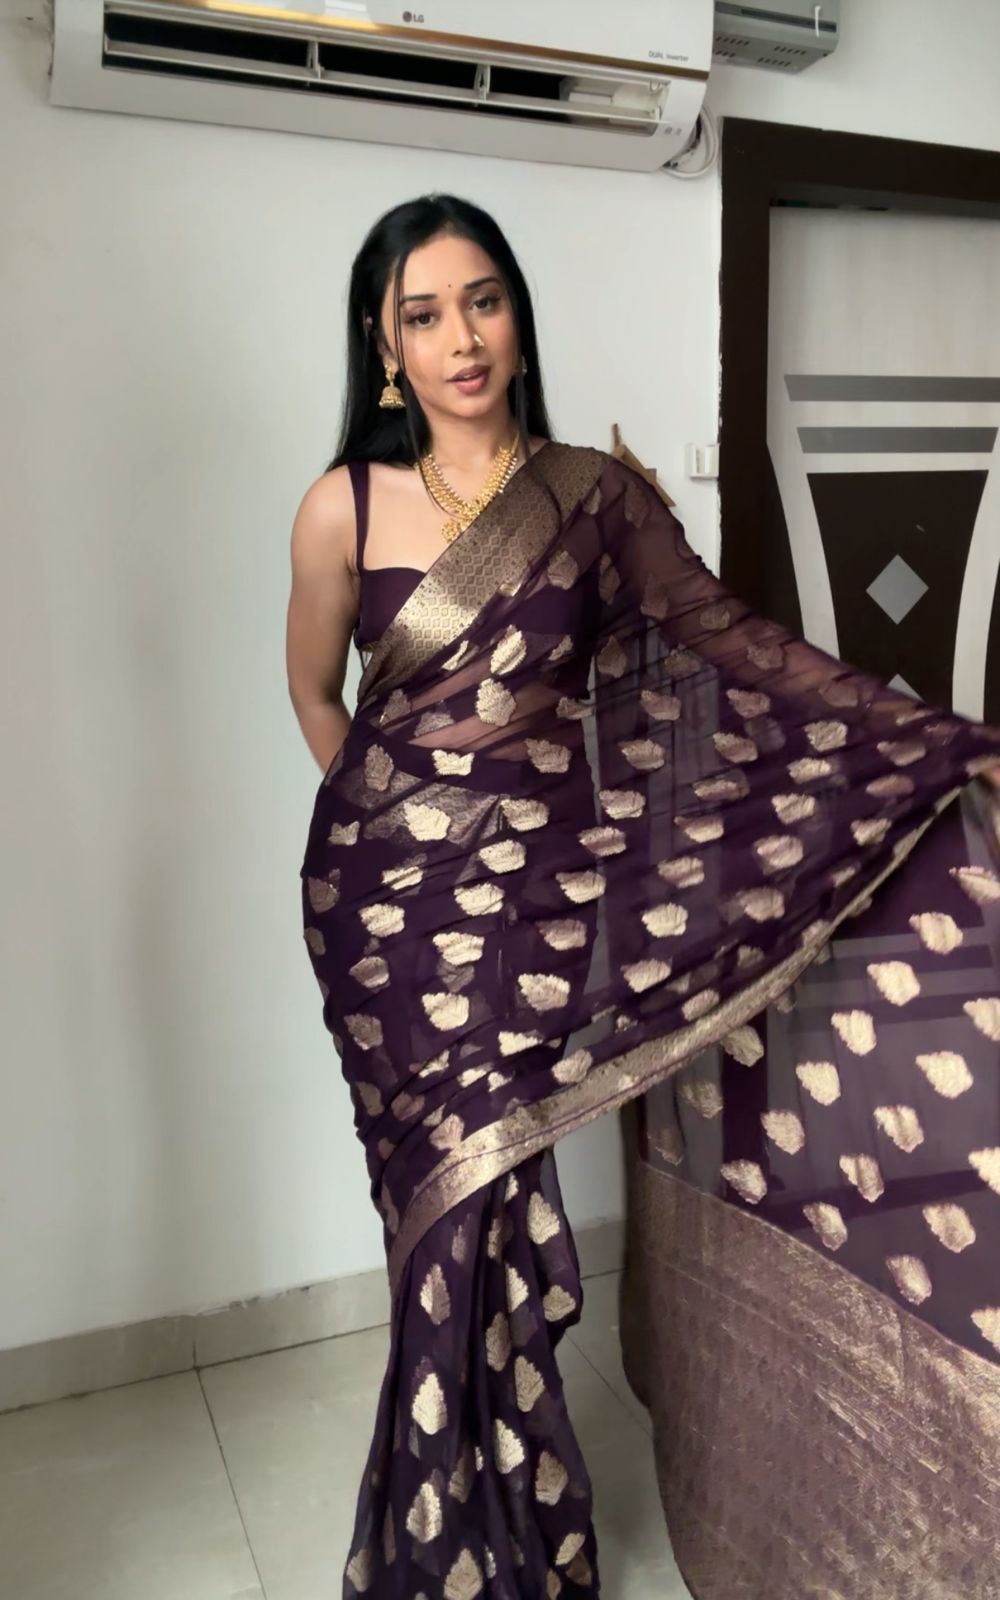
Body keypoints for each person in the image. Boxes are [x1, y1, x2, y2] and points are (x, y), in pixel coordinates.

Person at [285, 193, 1000, 1600]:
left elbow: (732, 644)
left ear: (517, 314)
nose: (461, 338)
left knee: (488, 1206)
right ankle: (451, 1536)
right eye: (424, 315)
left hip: (530, 920)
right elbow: (317, 692)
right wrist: (398, 829)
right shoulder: (341, 506)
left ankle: (503, 1530)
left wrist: (938, 739)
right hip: (387, 924)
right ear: (384, 347)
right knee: (434, 1220)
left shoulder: (593, 500)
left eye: (483, 300)